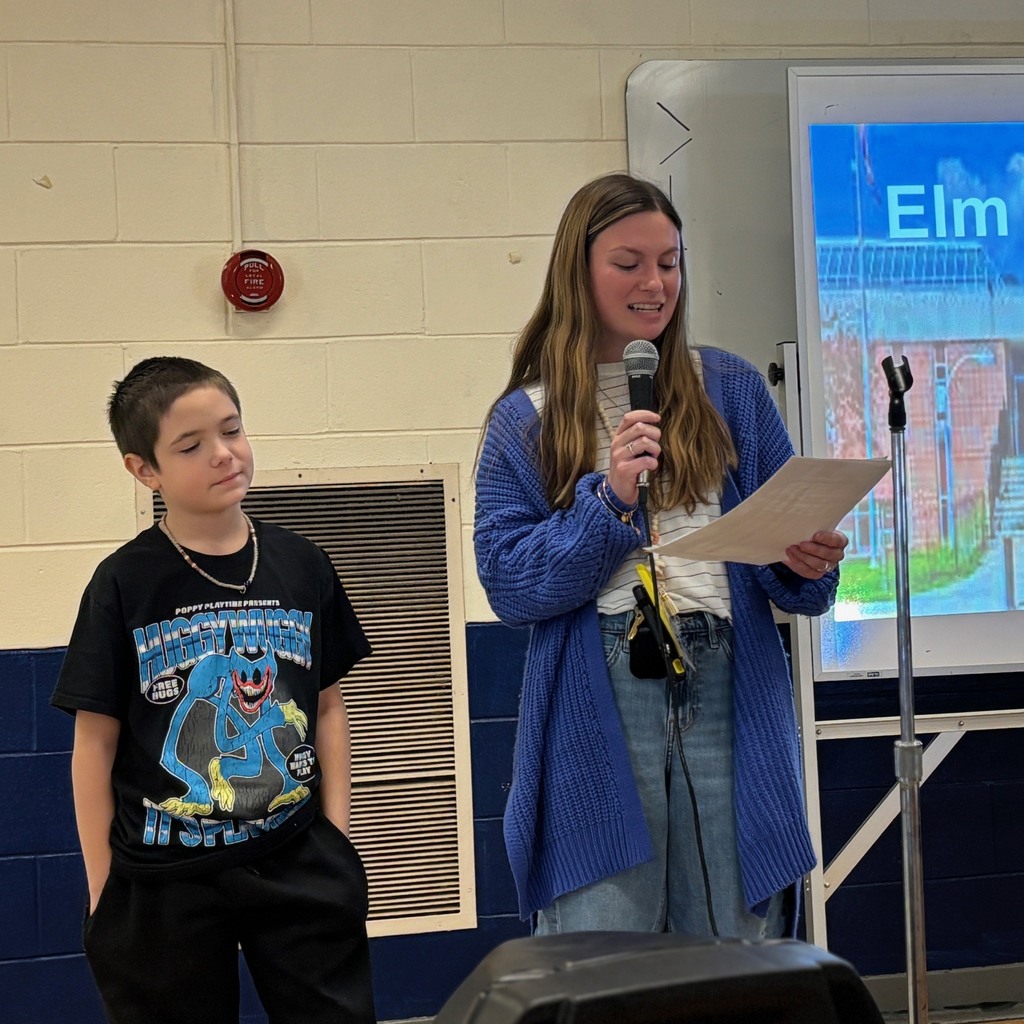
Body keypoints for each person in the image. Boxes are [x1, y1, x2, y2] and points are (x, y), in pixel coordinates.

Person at [474, 173, 848, 940]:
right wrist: (608, 499)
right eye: (629, 262)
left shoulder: (731, 388)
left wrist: (806, 561)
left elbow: (790, 566)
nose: (655, 283)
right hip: (604, 686)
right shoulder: (527, 417)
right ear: (578, 271)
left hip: (725, 674)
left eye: (670, 262)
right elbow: (510, 583)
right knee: (607, 936)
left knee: (732, 931)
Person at [51, 357, 376, 1024]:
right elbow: (94, 742)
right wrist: (101, 886)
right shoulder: (123, 583)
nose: (224, 455)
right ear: (145, 469)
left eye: (232, 430)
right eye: (192, 446)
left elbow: (329, 707)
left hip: (296, 858)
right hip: (164, 879)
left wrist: (337, 840)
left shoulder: (302, 562)